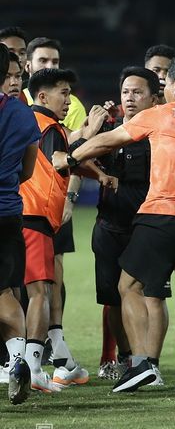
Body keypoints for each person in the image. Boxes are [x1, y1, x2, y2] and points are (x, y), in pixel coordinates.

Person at [53, 55, 175, 393]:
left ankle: (141, 364)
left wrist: (71, 158)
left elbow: (110, 140)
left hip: (161, 215)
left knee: (129, 287)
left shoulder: (160, 114)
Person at [21, 68, 108, 391]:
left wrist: (84, 139)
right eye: (63, 93)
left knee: (12, 293)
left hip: (15, 213)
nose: (69, 100)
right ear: (42, 96)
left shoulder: (26, 120)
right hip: (35, 216)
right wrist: (92, 134)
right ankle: (32, 369)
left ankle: (33, 362)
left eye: (69, 93)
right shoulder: (47, 125)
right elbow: (60, 161)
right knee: (39, 293)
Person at [91, 67, 160, 381]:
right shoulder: (106, 128)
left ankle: (145, 362)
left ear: (152, 97)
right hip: (107, 226)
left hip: (142, 230)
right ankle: (126, 358)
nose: (130, 98)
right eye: (126, 92)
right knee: (112, 300)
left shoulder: (159, 133)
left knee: (141, 294)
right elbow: (73, 158)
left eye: (137, 92)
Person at [0, 43, 40, 405]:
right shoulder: (23, 114)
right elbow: (27, 170)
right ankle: (17, 361)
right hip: (9, 213)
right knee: (8, 291)